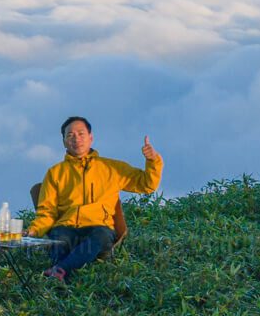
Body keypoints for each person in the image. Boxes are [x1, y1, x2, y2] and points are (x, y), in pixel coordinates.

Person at [27, 116, 162, 281]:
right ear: (64, 141)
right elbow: (46, 213)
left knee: (101, 236)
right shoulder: (55, 173)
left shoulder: (112, 168)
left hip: (99, 228)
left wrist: (152, 160)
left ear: (91, 138)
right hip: (67, 228)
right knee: (60, 237)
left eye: (81, 133)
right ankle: (62, 275)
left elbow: (147, 184)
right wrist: (33, 230)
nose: (76, 139)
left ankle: (60, 271)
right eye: (70, 135)